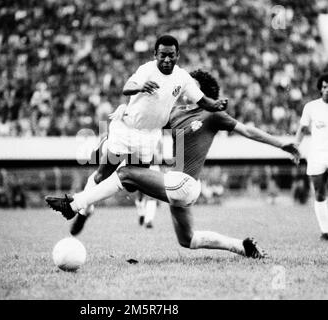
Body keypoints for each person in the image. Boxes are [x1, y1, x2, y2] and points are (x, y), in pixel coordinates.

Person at [46, 70, 300, 258]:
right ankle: (242, 247)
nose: (184, 90)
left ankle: (76, 204)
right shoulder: (176, 114)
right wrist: (122, 114)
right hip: (177, 186)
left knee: (125, 174)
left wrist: (281, 144)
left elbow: (249, 131)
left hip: (185, 184)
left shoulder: (212, 114)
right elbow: (144, 121)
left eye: (192, 87)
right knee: (188, 240)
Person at [68, 34, 228, 232]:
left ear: (178, 55)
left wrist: (217, 104)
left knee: (135, 183)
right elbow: (127, 87)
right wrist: (141, 86)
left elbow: (203, 101)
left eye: (171, 55)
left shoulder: (182, 78)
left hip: (150, 136)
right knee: (102, 175)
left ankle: (140, 210)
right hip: (127, 130)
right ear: (155, 55)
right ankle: (84, 212)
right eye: (162, 55)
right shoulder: (146, 70)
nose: (167, 59)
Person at [294, 73, 328, 240]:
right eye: (324, 87)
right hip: (317, 155)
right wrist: (295, 147)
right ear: (321, 89)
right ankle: (325, 231)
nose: (327, 90)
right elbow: (302, 129)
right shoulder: (311, 107)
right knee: (320, 193)